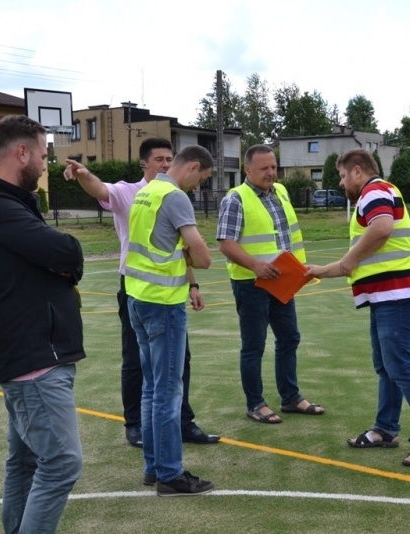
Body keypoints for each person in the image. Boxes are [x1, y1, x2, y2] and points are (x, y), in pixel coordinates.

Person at [0, 115, 84, 532]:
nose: (46, 164)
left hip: (33, 355)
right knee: (62, 462)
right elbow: (66, 253)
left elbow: (53, 258)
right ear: (23, 152)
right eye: (44, 154)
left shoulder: (8, 204)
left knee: (26, 461)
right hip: (33, 359)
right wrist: (60, 263)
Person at [64, 138, 219, 446]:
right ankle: (137, 426)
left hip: (161, 288)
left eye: (168, 158)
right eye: (158, 159)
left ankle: (181, 422)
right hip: (140, 289)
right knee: (140, 362)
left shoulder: (160, 194)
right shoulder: (133, 192)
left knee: (176, 363)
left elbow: (174, 247)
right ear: (144, 164)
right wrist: (84, 175)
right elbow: (101, 190)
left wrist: (192, 284)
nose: (164, 163)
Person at [306, 148, 410, 467]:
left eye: (342, 176)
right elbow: (354, 260)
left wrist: (349, 260)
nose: (342, 184)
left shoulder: (374, 191)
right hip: (388, 295)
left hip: (397, 294)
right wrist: (318, 271)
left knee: (399, 365)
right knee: (387, 366)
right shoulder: (379, 192)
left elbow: (381, 230)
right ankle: (386, 429)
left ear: (358, 171)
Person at [125, 145, 216, 496]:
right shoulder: (174, 197)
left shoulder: (146, 191)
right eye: (201, 179)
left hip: (139, 298)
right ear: (193, 167)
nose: (197, 186)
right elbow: (205, 257)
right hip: (164, 303)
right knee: (167, 392)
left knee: (151, 388)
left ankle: (154, 467)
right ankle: (169, 474)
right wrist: (189, 252)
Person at [217, 144, 325, 424]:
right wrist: (256, 265)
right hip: (252, 283)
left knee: (290, 337)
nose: (271, 172)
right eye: (264, 168)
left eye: (273, 167)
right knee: (254, 345)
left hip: (284, 282)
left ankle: (290, 397)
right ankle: (256, 404)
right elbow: (225, 243)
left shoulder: (281, 192)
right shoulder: (236, 198)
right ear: (247, 169)